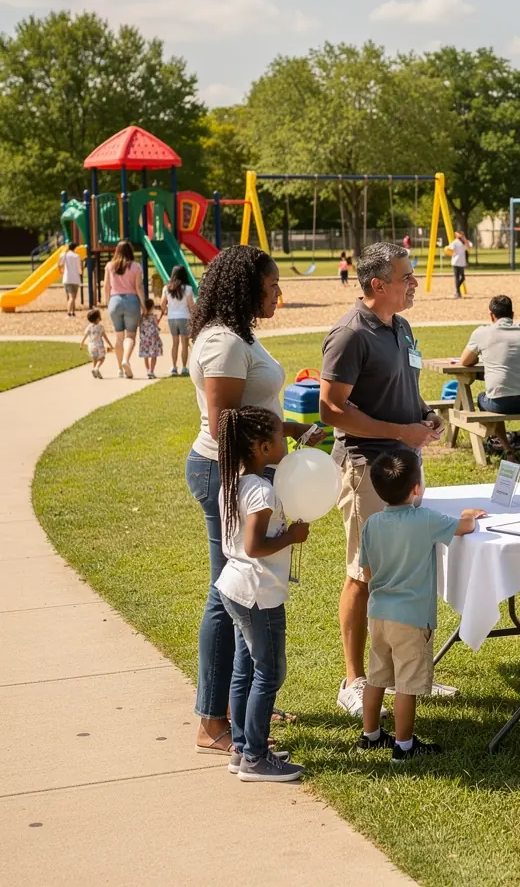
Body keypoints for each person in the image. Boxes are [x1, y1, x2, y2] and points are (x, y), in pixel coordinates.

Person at [186, 245, 323, 756]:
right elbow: (227, 425)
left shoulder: (238, 335)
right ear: (245, 289)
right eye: (270, 287)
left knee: (236, 589)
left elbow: (253, 410)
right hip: (225, 474)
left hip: (250, 467)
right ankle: (212, 719)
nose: (277, 295)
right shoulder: (222, 342)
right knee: (230, 590)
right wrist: (258, 471)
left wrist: (289, 429)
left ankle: (239, 707)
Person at [319, 242, 445, 719]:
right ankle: (354, 680)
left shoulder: (403, 326)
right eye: (406, 277)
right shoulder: (350, 334)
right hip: (365, 468)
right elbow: (331, 409)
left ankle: (397, 675)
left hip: (404, 464)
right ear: (378, 285)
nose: (414, 283)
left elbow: (405, 388)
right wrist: (399, 431)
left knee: (402, 574)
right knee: (365, 574)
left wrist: (426, 416)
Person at [357, 448, 485, 761]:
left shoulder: (372, 524)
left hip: (378, 614)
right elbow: (462, 528)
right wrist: (470, 515)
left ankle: (370, 735)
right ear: (417, 488)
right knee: (407, 683)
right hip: (411, 619)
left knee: (376, 677)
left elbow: (368, 571)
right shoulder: (425, 519)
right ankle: (404, 746)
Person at [215, 405, 309, 782]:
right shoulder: (261, 491)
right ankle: (255, 757)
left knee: (245, 669)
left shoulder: (233, 481)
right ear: (260, 446)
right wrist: (292, 536)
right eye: (278, 435)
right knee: (269, 672)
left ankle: (242, 748)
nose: (284, 438)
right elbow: (254, 546)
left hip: (234, 586)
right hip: (258, 594)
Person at [458, 295, 520, 457]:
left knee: (484, 396)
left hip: (501, 404)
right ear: (513, 314)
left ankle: (507, 449)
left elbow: (464, 361)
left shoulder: (482, 332)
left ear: (491, 315)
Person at [103, 240, 145, 379]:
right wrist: (144, 305)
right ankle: (126, 360)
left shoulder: (110, 266)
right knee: (130, 335)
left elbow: (106, 286)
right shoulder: (136, 266)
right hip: (132, 301)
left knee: (118, 336)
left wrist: (107, 303)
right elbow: (139, 287)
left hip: (115, 301)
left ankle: (120, 368)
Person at [161, 265, 195, 376]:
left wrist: (165, 310)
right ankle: (184, 367)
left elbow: (162, 303)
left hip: (172, 318)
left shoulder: (167, 288)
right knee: (184, 343)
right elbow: (191, 305)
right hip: (184, 317)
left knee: (174, 343)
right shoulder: (188, 288)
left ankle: (174, 367)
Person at [80, 308, 113, 378]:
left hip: (91, 346)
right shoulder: (101, 327)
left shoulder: (89, 327)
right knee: (102, 359)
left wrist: (82, 343)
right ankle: (96, 368)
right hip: (99, 346)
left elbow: (85, 336)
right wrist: (110, 345)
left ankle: (94, 371)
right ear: (98, 318)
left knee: (94, 359)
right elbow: (105, 337)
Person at [138, 298, 163, 379]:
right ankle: (151, 370)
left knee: (146, 355)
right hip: (153, 340)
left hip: (145, 340)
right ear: (152, 307)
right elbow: (156, 324)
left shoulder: (141, 317)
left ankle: (148, 370)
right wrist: (162, 314)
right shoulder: (153, 316)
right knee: (154, 356)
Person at [59, 246, 83, 318]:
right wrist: (81, 271)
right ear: (75, 248)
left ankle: (71, 313)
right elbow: (79, 268)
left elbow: (60, 264)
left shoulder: (65, 255)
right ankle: (71, 312)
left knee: (71, 297)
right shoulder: (77, 256)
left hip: (67, 278)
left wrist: (61, 271)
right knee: (73, 297)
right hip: (75, 279)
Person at [448, 231, 472, 297]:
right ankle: (458, 292)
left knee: (463, 278)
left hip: (462, 263)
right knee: (457, 278)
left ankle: (457, 290)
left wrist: (464, 240)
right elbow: (449, 249)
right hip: (455, 262)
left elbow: (469, 248)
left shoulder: (465, 242)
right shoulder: (455, 242)